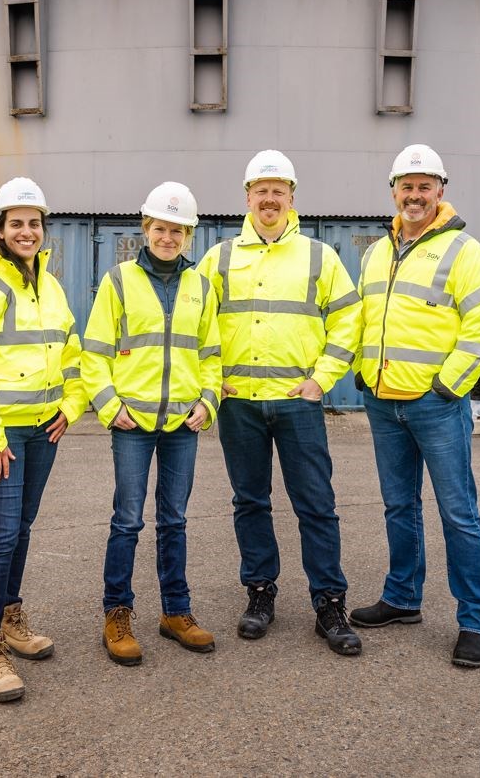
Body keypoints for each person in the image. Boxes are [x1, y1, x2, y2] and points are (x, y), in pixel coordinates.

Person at [197, 150, 364, 656]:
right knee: (250, 502)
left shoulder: (320, 256)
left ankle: (329, 602)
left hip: (298, 403)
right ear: (246, 196)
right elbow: (196, 322)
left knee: (316, 504)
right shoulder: (220, 258)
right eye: (260, 190)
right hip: (239, 404)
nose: (269, 199)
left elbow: (348, 321)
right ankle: (260, 593)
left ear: (292, 197)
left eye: (279, 190)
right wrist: (214, 377)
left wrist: (322, 380)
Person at [349, 144, 480, 668]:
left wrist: (446, 387)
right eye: (406, 186)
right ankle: (402, 598)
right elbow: (360, 321)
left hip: (435, 405)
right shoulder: (375, 252)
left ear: (441, 190)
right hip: (382, 401)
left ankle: (473, 620)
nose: (414, 196)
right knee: (399, 506)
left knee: (458, 513)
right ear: (393, 191)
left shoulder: (465, 251)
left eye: (424, 186)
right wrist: (361, 373)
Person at [0, 177, 88, 702]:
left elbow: (72, 354)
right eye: (17, 223)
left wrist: (71, 407)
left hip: (41, 431)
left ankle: (9, 618)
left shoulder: (50, 288)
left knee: (21, 528)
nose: (27, 231)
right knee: (0, 533)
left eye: (34, 223)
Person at [82, 182, 223, 666]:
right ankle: (116, 615)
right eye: (160, 228)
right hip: (131, 424)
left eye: (177, 230)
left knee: (175, 520)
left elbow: (211, 353)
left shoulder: (201, 285)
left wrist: (209, 399)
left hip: (184, 422)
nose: (168, 237)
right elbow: (95, 351)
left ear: (189, 234)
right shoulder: (119, 280)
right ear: (146, 229)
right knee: (127, 520)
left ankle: (175, 613)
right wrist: (107, 405)